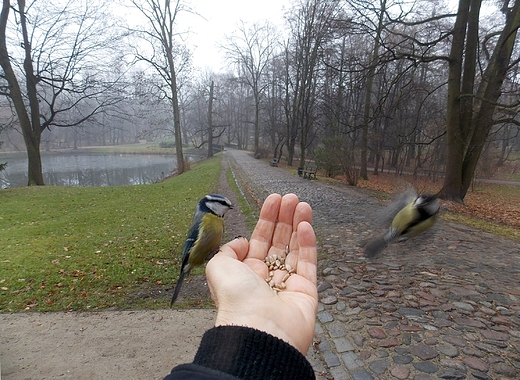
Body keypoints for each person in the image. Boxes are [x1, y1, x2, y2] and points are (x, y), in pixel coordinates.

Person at [163, 193, 318, 380]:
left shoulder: (217, 220)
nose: (228, 207)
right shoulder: (205, 219)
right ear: (210, 204)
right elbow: (191, 249)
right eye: (223, 204)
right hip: (193, 258)